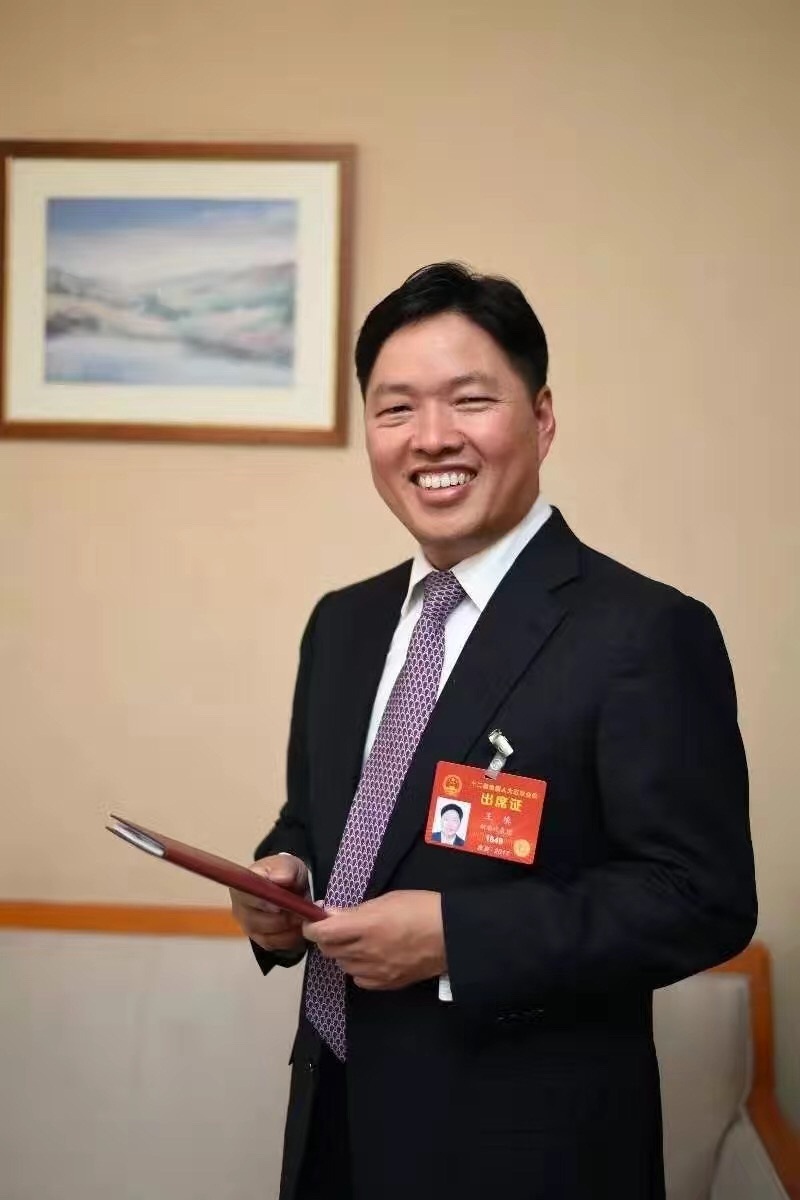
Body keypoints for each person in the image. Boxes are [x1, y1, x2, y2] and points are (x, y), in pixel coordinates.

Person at [230, 262, 756, 1200]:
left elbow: (700, 897)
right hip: (335, 1123)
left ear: (542, 418)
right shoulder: (341, 623)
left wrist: (455, 938)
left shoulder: (642, 631)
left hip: (525, 1154)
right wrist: (286, 879)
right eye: (396, 409)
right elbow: (322, 821)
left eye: (470, 400)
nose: (432, 437)